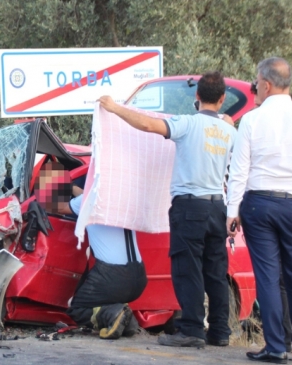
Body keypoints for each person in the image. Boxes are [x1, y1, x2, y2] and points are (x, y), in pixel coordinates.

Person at [98, 71, 236, 348]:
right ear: (222, 99)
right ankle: (220, 331)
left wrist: (114, 108)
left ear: (196, 96)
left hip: (190, 207)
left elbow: (149, 126)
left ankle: (192, 330)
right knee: (215, 272)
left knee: (188, 270)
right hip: (218, 207)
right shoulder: (229, 130)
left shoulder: (187, 124)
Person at [226, 57, 292, 363]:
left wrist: (232, 211)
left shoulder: (252, 120)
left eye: (256, 83)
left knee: (268, 277)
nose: (254, 87)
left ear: (267, 85)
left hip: (260, 205)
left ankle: (275, 346)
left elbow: (239, 171)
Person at [63, 192, 148, 340]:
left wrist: (59, 189)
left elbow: (60, 208)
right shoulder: (126, 198)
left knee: (77, 309)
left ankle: (113, 315)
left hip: (112, 276)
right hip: (140, 277)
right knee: (105, 298)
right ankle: (127, 322)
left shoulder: (92, 197)